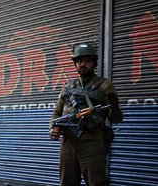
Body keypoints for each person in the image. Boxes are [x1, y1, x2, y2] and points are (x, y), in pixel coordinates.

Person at [49, 42, 123, 186]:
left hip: (92, 142)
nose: (83, 64)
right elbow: (57, 113)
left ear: (94, 63)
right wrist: (53, 128)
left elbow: (117, 118)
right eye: (79, 61)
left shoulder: (105, 86)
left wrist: (114, 107)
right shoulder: (67, 87)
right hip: (67, 143)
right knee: (66, 182)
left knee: (96, 182)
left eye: (87, 61)